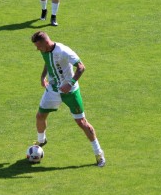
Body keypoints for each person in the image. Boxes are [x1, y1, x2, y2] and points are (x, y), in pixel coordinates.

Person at [31, 31, 106, 167]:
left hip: (70, 92)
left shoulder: (63, 51)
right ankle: (41, 141)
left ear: (46, 43)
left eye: (38, 46)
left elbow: (81, 67)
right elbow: (47, 61)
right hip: (53, 90)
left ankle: (99, 154)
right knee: (40, 116)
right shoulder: (45, 50)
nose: (37, 49)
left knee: (82, 122)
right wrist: (43, 76)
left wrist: (70, 83)